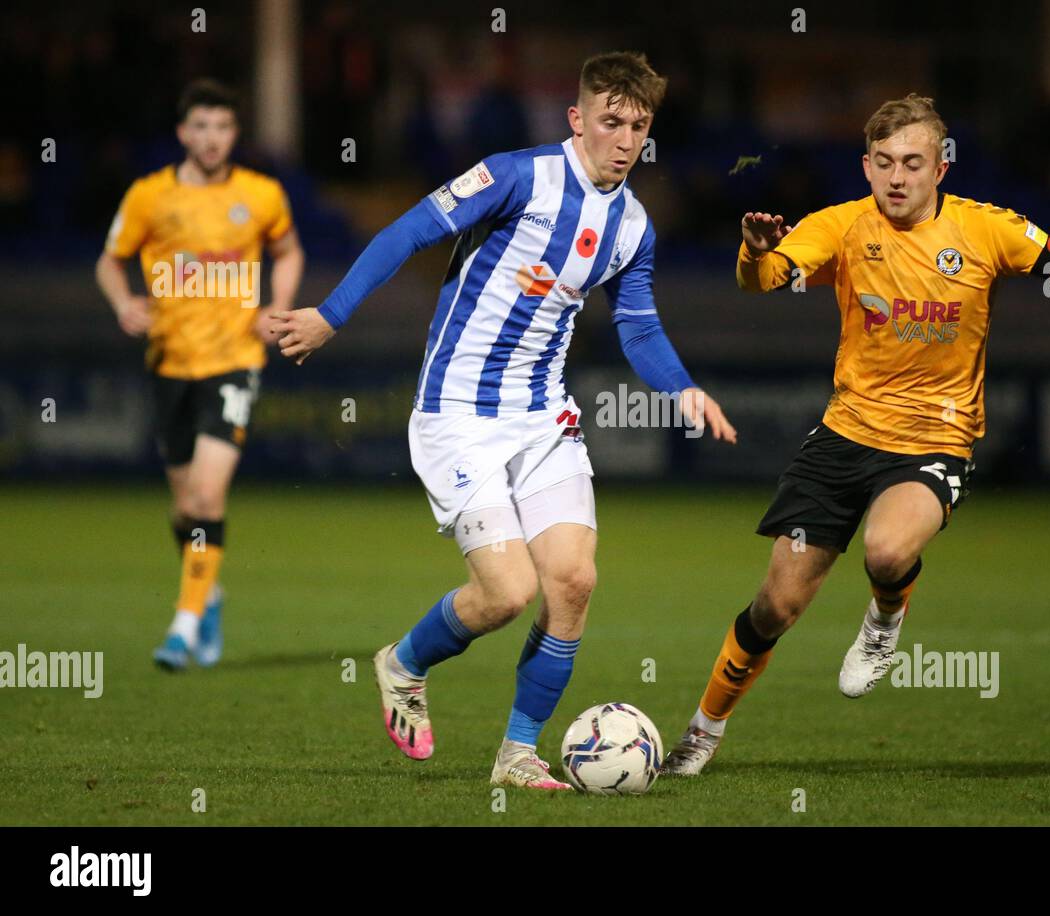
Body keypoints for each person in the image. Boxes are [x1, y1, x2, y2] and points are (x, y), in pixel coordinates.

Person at [662, 93, 1050, 776]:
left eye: (912, 163)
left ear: (941, 168)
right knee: (775, 606)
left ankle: (884, 620)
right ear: (866, 165)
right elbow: (761, 280)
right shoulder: (842, 226)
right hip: (842, 435)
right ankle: (701, 734)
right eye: (883, 163)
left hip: (936, 437)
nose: (897, 178)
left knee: (885, 551)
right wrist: (750, 251)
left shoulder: (988, 230)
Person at [272, 52, 736, 790]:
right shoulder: (516, 175)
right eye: (610, 121)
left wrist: (683, 387)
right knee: (506, 593)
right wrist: (331, 316)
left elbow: (640, 328)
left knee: (573, 582)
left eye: (638, 126)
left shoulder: (634, 227)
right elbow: (407, 233)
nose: (624, 139)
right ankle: (404, 663)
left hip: (543, 416)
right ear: (577, 119)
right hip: (457, 413)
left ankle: (518, 755)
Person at [95, 78, 304, 671]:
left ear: (235, 134)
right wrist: (122, 303)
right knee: (186, 508)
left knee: (210, 494)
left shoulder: (261, 194)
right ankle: (205, 592)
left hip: (235, 361)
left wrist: (276, 305)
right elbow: (109, 262)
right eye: (202, 127)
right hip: (169, 363)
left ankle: (183, 627)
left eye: (224, 127)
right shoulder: (148, 196)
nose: (213, 138)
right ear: (184, 133)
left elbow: (288, 251)